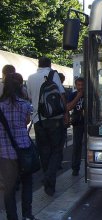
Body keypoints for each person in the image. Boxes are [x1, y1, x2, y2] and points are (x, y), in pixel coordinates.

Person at [0, 73, 38, 220]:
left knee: (9, 189)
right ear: (20, 87)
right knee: (27, 183)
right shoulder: (24, 105)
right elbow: (26, 122)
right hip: (24, 150)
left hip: (5, 153)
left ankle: (12, 217)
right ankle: (27, 215)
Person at [27, 57, 67, 196]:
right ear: (49, 65)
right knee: (56, 150)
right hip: (55, 118)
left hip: (38, 120)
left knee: (44, 151)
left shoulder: (30, 78)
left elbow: (30, 97)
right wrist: (66, 113)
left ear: (38, 64)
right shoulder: (53, 74)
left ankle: (48, 186)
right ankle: (49, 178)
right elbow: (61, 94)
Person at [67, 77, 84, 176]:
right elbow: (68, 107)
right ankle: (75, 167)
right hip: (77, 123)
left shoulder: (89, 94)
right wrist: (78, 97)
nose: (81, 87)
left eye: (82, 85)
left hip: (88, 122)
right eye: (79, 85)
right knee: (77, 145)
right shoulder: (73, 95)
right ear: (76, 86)